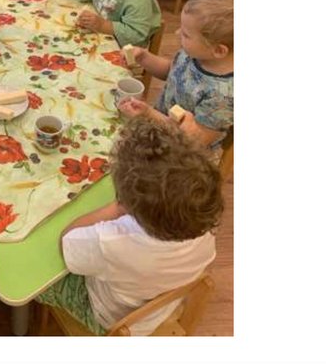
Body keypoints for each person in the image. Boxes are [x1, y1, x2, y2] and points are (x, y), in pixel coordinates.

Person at [36, 117, 223, 335]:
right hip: (156, 309)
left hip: (109, 319)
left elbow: (66, 241)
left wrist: (117, 208)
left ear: (129, 204)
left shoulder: (112, 242)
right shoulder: (202, 224)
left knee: (36, 279)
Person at [119, 0, 233, 158]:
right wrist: (144, 57)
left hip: (180, 157)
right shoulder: (195, 54)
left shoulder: (223, 96)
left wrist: (148, 114)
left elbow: (195, 140)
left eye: (186, 34)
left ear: (218, 50)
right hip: (158, 129)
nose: (177, 33)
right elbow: (171, 71)